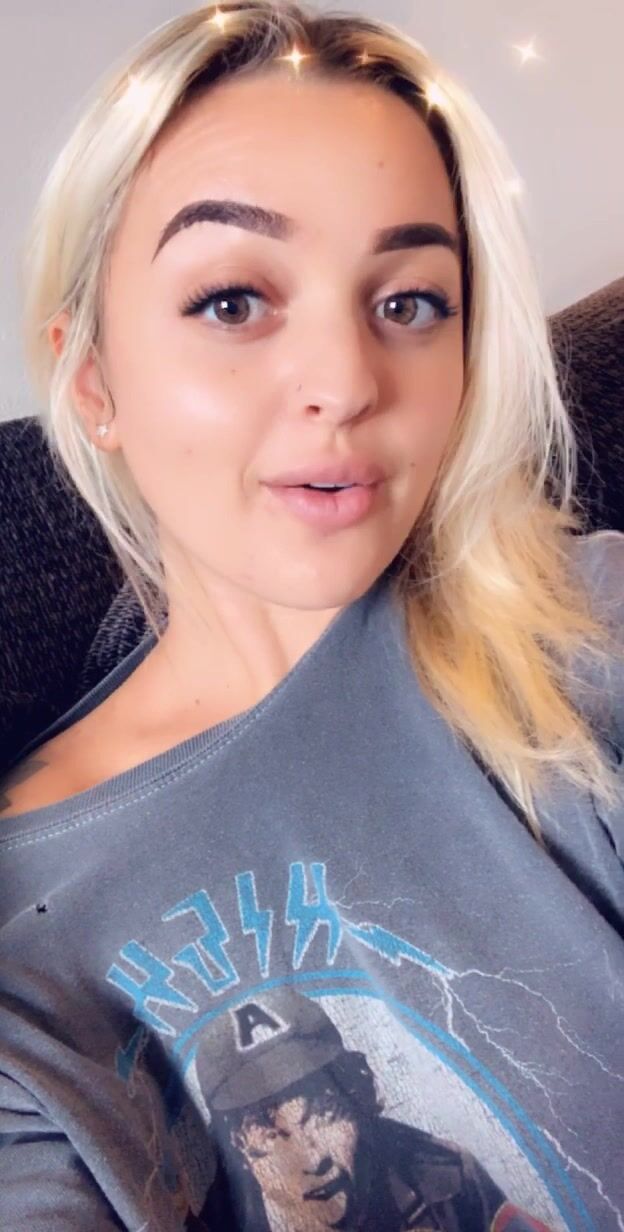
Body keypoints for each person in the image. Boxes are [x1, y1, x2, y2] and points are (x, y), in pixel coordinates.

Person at [0, 2, 622, 1229]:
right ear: (93, 377)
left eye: (411, 302)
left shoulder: (585, 633)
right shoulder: (28, 929)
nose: (345, 382)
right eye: (234, 300)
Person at [190, 986, 552, 1230]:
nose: (314, 1158)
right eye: (272, 1135)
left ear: (356, 1102)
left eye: (325, 1116)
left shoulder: (443, 1179)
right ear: (236, 1146)